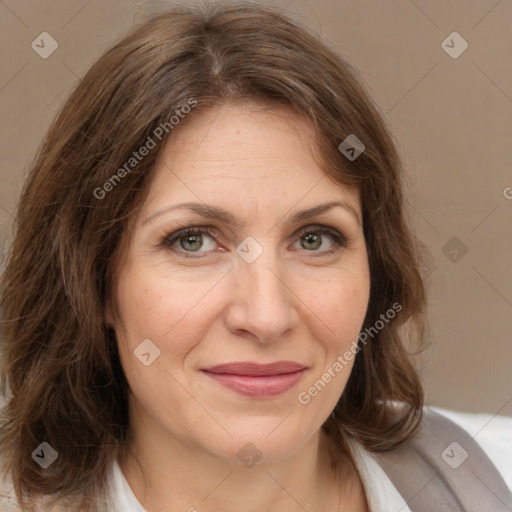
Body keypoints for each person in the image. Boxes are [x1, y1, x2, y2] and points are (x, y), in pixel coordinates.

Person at [0, 2, 510, 511]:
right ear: (95, 282)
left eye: (314, 239)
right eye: (193, 240)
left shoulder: (480, 476)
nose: (267, 316)